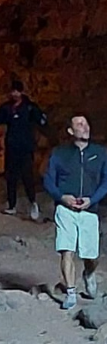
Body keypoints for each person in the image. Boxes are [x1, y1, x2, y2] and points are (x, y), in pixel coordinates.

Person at [44, 115, 107, 310]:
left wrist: (92, 200)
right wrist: (61, 197)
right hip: (65, 210)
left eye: (86, 123)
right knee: (67, 250)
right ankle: (70, 292)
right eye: (80, 124)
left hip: (90, 210)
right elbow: (48, 179)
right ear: (71, 131)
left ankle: (88, 274)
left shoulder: (100, 153)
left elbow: (106, 181)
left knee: (91, 255)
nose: (85, 127)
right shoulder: (59, 154)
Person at [0, 79, 48, 219]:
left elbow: (42, 119)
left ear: (21, 92)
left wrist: (43, 122)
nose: (14, 94)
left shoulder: (29, 107)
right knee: (11, 177)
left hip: (26, 147)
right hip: (12, 147)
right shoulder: (7, 108)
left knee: (27, 176)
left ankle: (33, 204)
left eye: (17, 91)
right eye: (12, 91)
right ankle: (12, 205)